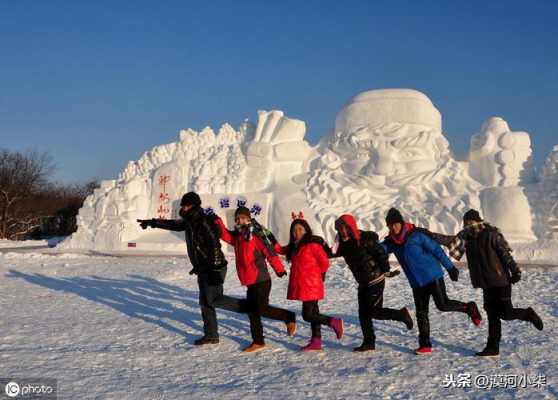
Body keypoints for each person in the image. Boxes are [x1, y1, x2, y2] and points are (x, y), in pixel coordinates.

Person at [137, 192, 245, 346]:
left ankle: (248, 307)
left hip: (214, 267)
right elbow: (174, 224)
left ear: (194, 206)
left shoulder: (204, 221)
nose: (183, 208)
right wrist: (152, 222)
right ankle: (211, 335)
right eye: (183, 205)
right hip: (203, 268)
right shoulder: (190, 221)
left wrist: (213, 268)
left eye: (186, 205)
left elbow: (215, 245)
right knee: (205, 302)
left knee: (213, 300)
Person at [381, 207, 482, 355]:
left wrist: (450, 268)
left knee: (443, 305)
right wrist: (369, 246)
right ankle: (425, 344)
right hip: (416, 283)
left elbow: (437, 251)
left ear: (401, 223)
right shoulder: (391, 242)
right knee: (421, 313)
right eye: (389, 225)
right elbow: (379, 249)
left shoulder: (416, 236)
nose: (392, 227)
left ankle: (469, 307)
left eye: (395, 224)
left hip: (433, 276)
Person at [446, 209, 544, 357]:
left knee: (506, 313)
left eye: (470, 222)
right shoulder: (467, 239)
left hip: (501, 281)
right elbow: (449, 242)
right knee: (492, 314)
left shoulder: (490, 235)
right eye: (465, 223)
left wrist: (515, 271)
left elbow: (505, 254)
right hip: (486, 284)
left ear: (477, 221)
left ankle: (528, 313)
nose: (467, 225)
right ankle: (492, 348)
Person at [216, 206, 297, 353]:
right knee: (260, 310)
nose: (239, 220)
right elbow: (226, 236)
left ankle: (259, 341)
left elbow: (269, 251)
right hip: (250, 282)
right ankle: (287, 317)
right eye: (237, 218)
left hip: (261, 280)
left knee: (255, 310)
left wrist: (278, 269)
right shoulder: (239, 236)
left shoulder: (255, 234)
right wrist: (217, 222)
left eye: (241, 217)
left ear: (248, 218)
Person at [331, 214, 413, 352]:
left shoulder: (364, 239)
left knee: (374, 311)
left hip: (375, 278)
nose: (343, 231)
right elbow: (330, 253)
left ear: (351, 226)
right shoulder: (341, 243)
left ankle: (401, 315)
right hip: (363, 281)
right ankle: (369, 342)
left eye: (345, 227)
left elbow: (380, 253)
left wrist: (386, 270)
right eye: (339, 228)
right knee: (363, 313)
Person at [275, 217, 344, 352]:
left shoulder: (312, 245)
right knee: (314, 313)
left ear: (306, 230)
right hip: (305, 285)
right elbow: (280, 249)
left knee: (308, 315)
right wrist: (268, 239)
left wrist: (317, 276)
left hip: (311, 284)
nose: (297, 232)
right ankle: (316, 341)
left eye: (300, 229)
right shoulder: (295, 246)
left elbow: (324, 262)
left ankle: (334, 322)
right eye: (294, 230)